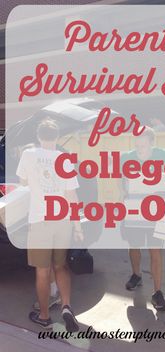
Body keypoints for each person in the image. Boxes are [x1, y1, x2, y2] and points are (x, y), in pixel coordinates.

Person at [16, 118, 83, 331]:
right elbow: (71, 194)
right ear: (56, 137)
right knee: (61, 266)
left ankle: (44, 316)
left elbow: (23, 183)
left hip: (40, 219)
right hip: (62, 219)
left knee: (42, 271)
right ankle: (66, 306)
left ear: (38, 136)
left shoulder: (28, 154)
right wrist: (78, 226)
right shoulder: (64, 158)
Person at [120, 127, 165, 311]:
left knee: (155, 250)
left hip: (155, 209)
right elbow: (123, 183)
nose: (139, 147)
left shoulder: (164, 156)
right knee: (133, 246)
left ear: (152, 142)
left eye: (143, 144)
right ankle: (136, 274)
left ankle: (157, 292)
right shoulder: (126, 157)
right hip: (133, 208)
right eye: (137, 144)